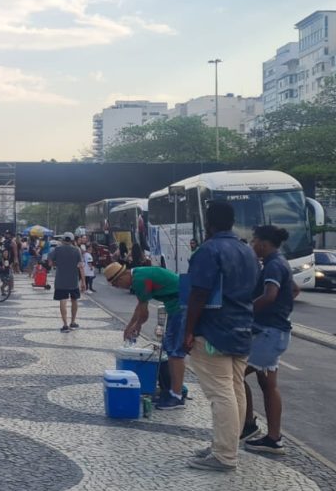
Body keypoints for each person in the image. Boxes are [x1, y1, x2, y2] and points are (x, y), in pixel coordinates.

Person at [184, 201, 260, 472]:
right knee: (235, 388)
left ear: (209, 223)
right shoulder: (247, 250)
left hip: (214, 331)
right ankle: (226, 445)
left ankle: (224, 455)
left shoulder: (209, 250)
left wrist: (189, 329)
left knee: (221, 394)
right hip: (242, 330)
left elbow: (199, 293)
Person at [242, 225, 295, 454]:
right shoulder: (281, 262)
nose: (252, 245)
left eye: (254, 241)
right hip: (276, 331)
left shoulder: (273, 264)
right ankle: (273, 437)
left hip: (269, 333)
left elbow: (270, 295)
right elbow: (294, 290)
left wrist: (246, 311)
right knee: (268, 384)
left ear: (263, 243)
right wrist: (282, 309)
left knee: (233, 375)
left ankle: (248, 425)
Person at [106, 262, 187, 410]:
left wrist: (136, 326)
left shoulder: (139, 280)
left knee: (175, 352)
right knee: (170, 349)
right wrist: (130, 326)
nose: (120, 287)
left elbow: (144, 313)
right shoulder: (138, 275)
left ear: (123, 275)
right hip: (177, 305)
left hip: (181, 306)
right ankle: (173, 390)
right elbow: (140, 306)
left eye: (117, 283)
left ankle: (177, 396)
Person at [49, 232, 85, 333]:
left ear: (63, 239)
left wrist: (58, 263)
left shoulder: (57, 249)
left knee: (63, 300)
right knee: (74, 300)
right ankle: (73, 322)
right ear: (72, 240)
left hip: (60, 280)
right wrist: (83, 281)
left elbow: (50, 262)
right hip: (73, 280)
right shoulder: (77, 250)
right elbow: (81, 266)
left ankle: (65, 324)